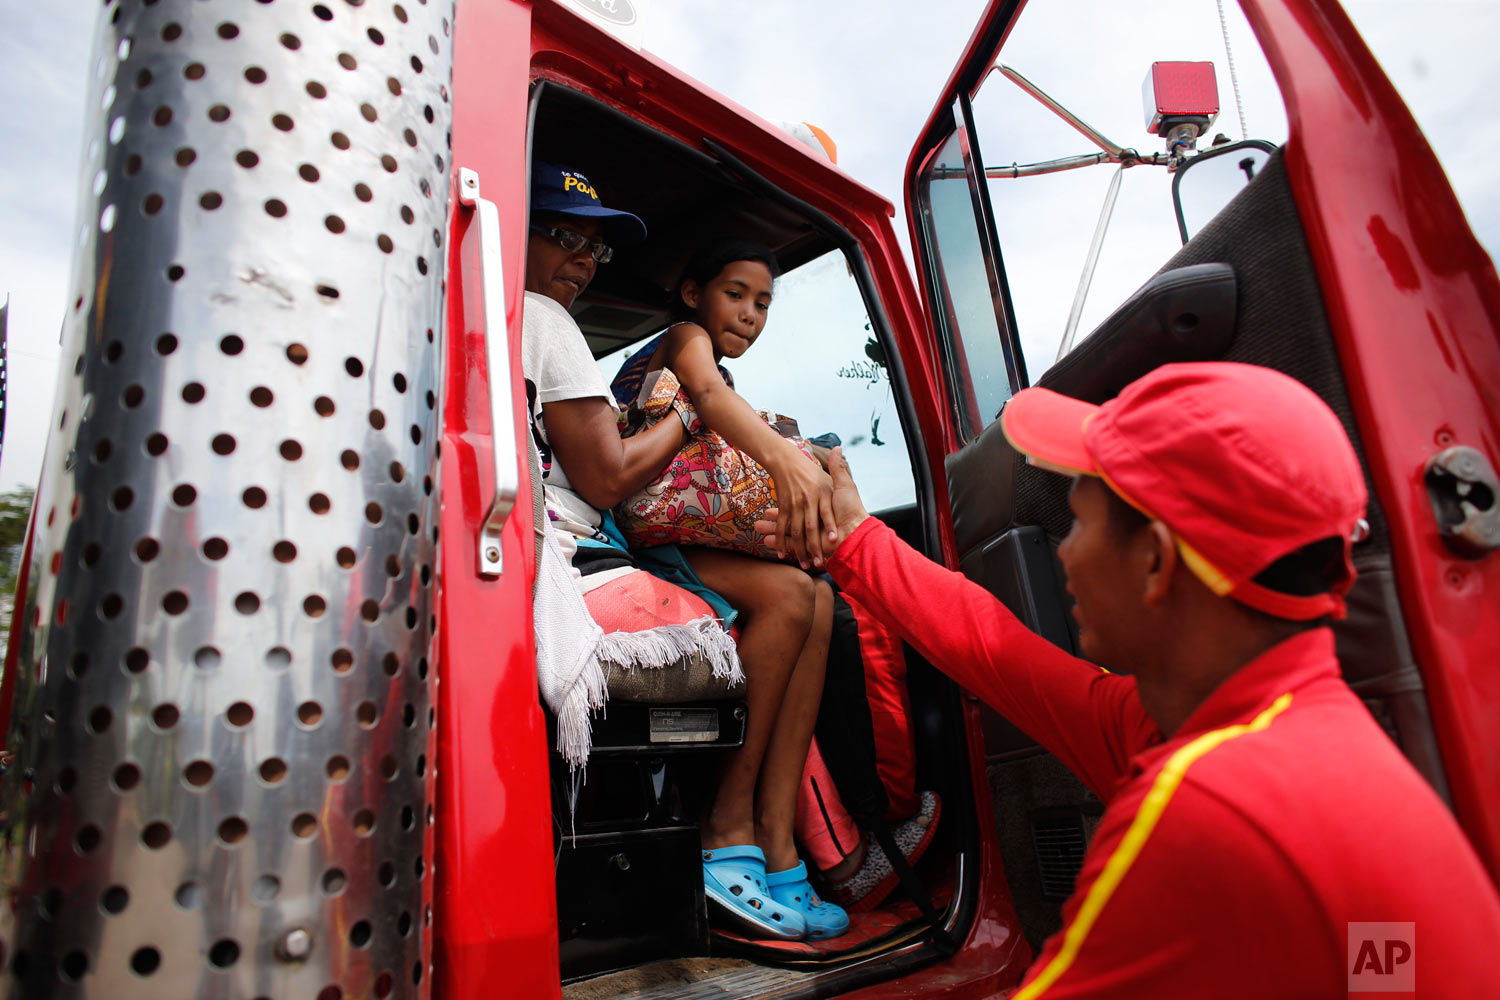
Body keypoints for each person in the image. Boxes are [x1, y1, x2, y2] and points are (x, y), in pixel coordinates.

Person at [759, 362, 1500, 995]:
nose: (1067, 555)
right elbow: (993, 650)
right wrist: (852, 537)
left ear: (1157, 561)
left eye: (1077, 523)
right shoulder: (1256, 734)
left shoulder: (1211, 805)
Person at [520, 167, 846, 941]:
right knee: (796, 598)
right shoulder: (672, 339)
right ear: (694, 292)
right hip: (635, 541)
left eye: (593, 249)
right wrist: (785, 461)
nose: (581, 260)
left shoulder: (549, 334)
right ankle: (728, 829)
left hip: (658, 536)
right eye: (737, 293)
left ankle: (775, 841)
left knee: (821, 602)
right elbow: (703, 407)